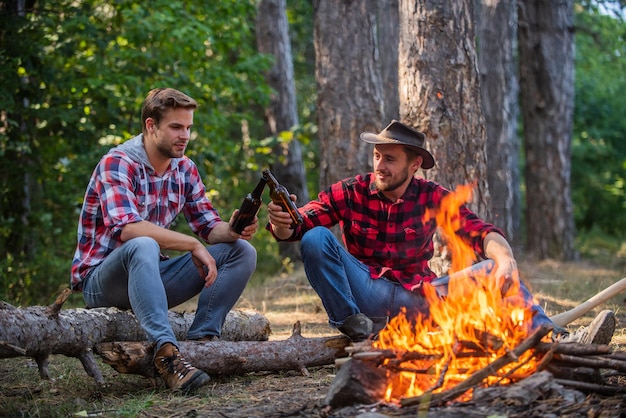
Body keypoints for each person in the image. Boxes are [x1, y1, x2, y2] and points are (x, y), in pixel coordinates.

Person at [266, 119, 615, 345]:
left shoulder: (433, 197)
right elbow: (303, 223)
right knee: (315, 238)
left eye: (390, 159)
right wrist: (284, 225)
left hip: (419, 299)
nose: (380, 166)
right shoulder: (352, 190)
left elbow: (481, 232)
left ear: (414, 164)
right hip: (364, 297)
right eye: (377, 156)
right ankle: (352, 327)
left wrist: (505, 258)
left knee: (494, 269)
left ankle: (555, 337)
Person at [71, 88, 258, 392]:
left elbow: (209, 227)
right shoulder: (117, 163)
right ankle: (166, 355)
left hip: (151, 279)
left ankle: (203, 344)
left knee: (242, 251)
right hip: (103, 283)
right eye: (175, 127)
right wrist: (193, 245)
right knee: (143, 243)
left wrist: (234, 229)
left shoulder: (185, 169)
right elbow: (129, 229)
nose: (184, 135)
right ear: (150, 126)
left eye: (188, 128)